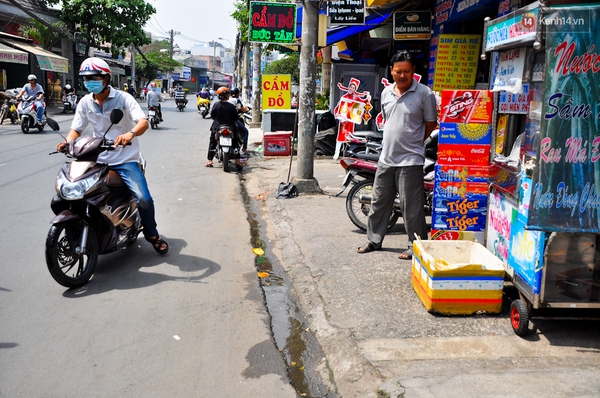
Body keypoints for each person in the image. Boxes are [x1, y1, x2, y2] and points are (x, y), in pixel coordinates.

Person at [56, 57, 168, 255]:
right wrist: (68, 142)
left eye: (94, 77)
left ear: (106, 78)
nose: (89, 81)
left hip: (125, 160)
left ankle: (152, 234)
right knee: (78, 190)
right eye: (85, 78)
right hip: (96, 158)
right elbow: (76, 129)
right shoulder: (85, 102)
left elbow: (143, 122)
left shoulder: (123, 98)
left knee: (144, 199)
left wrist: (129, 134)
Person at [357, 51, 437, 260]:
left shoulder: (424, 94)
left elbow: (430, 123)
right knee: (379, 202)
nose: (402, 75)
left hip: (411, 159)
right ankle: (374, 240)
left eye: (407, 72)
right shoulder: (385, 93)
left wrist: (416, 140)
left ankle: (415, 245)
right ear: (391, 71)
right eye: (398, 71)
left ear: (413, 72)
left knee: (411, 206)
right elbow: (387, 120)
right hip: (387, 157)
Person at [205, 86, 239, 168]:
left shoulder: (216, 105)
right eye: (228, 94)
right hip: (230, 127)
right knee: (235, 141)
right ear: (225, 95)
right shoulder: (231, 106)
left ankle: (210, 160)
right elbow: (235, 117)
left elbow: (213, 115)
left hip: (217, 127)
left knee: (213, 141)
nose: (229, 95)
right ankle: (238, 161)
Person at [228, 87, 249, 155]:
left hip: (225, 120)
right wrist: (247, 110)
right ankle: (244, 148)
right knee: (245, 131)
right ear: (237, 94)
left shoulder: (227, 100)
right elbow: (243, 109)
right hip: (234, 120)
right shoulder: (237, 100)